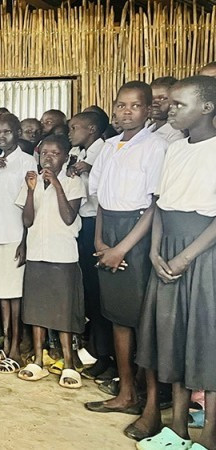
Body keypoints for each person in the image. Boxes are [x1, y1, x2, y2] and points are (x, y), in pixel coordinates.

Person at [133, 75, 216, 450]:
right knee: (173, 338)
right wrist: (155, 251)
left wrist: (186, 255)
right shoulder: (175, 150)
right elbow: (161, 206)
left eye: (180, 105)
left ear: (207, 108)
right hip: (167, 252)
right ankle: (178, 429)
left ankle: (209, 436)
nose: (171, 109)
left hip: (202, 253)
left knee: (204, 342)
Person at [84, 81, 167, 415]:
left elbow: (154, 205)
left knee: (142, 320)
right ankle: (126, 392)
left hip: (138, 232)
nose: (126, 111)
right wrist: (100, 242)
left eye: (135, 106)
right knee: (117, 316)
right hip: (109, 233)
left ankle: (149, 399)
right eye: (121, 105)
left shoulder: (156, 146)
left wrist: (123, 248)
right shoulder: (109, 146)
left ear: (148, 110)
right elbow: (101, 197)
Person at [16, 134, 86, 388]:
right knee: (37, 310)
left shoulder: (73, 182)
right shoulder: (31, 181)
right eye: (44, 152)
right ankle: (38, 360)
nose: (48, 157)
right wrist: (31, 191)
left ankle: (69, 364)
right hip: (37, 252)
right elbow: (26, 220)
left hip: (62, 254)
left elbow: (69, 217)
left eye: (55, 153)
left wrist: (56, 184)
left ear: (66, 157)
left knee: (63, 311)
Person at [0, 113, 34, 370]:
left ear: (17, 133)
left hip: (13, 236)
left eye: (7, 132)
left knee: (15, 294)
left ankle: (16, 347)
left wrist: (24, 241)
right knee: (0, 293)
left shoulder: (26, 161)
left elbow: (29, 205)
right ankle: (6, 344)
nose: (2, 136)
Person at [67, 111, 114, 380]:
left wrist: (91, 170)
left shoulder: (104, 152)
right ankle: (98, 352)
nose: (71, 132)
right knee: (90, 293)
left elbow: (103, 189)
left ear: (93, 129)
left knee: (100, 293)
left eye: (76, 127)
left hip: (98, 224)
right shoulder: (79, 152)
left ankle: (106, 356)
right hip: (83, 225)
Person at [149, 76, 186, 143]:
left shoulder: (176, 134)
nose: (154, 103)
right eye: (151, 98)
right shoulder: (148, 127)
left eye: (162, 98)